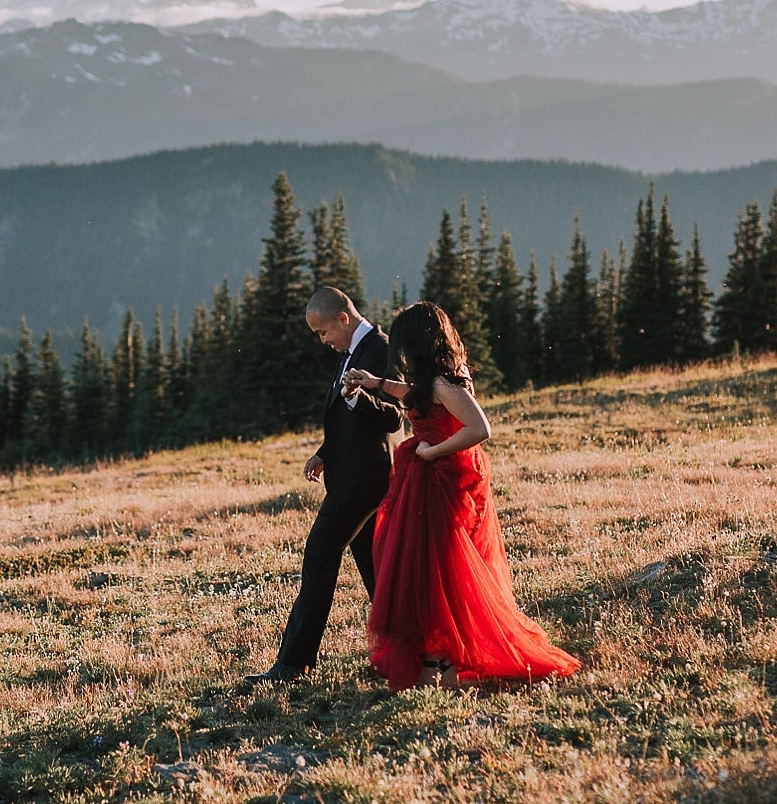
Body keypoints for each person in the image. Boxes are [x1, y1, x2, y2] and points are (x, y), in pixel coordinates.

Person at [342, 300, 581, 691]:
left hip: (443, 475)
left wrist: (431, 451)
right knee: (427, 564)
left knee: (442, 567)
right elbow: (417, 395)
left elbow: (479, 427)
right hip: (429, 470)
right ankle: (437, 658)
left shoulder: (443, 382)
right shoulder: (433, 379)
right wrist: (376, 383)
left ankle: (444, 661)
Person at [245, 287, 402, 684]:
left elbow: (394, 418)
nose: (323, 340)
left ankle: (292, 664)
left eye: (322, 332)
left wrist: (357, 398)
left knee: (319, 553)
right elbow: (346, 418)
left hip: (364, 480)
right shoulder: (349, 351)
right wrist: (325, 452)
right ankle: (404, 649)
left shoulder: (380, 348)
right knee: (374, 568)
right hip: (350, 473)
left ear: (342, 319)